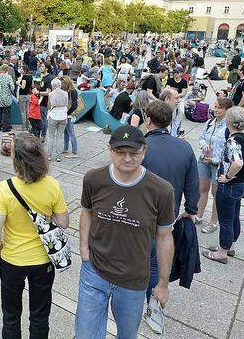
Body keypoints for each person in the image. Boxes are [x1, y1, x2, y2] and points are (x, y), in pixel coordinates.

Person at [76, 125, 175, 339]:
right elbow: (87, 212)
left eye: (134, 153)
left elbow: (165, 236)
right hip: (95, 271)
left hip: (133, 279)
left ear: (144, 151)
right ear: (110, 150)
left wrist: (163, 283)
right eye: (121, 152)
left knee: (127, 335)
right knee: (85, 335)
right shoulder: (94, 179)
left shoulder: (161, 190)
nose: (127, 158)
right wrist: (84, 251)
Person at [0, 132, 69, 339]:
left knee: (11, 315)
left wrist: (3, 250)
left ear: (15, 159)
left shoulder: (4, 189)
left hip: (12, 261)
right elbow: (64, 223)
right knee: (40, 315)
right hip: (43, 260)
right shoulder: (52, 185)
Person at [141, 100, 199, 330]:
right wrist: (191, 209)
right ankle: (153, 307)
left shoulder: (142, 147)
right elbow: (192, 183)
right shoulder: (184, 147)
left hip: (141, 216)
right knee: (156, 264)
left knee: (139, 260)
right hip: (167, 218)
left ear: (148, 120)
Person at [202, 107, 244, 264]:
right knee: (235, 215)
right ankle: (230, 246)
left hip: (230, 185)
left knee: (226, 220)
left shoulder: (233, 140)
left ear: (229, 121)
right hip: (242, 183)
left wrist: (228, 176)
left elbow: (237, 162)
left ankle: (222, 252)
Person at [195, 97, 233, 234]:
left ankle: (213, 222)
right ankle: (198, 216)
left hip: (218, 164)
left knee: (216, 194)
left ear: (227, 110)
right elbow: (201, 138)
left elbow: (229, 148)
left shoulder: (229, 126)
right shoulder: (210, 122)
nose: (216, 109)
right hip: (204, 160)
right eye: (215, 106)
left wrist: (215, 159)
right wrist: (204, 146)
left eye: (219, 107)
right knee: (202, 188)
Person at [45, 78, 68, 163]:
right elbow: (67, 104)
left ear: (53, 85)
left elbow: (48, 106)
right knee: (60, 136)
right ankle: (58, 156)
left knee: (51, 136)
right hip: (63, 115)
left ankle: (49, 155)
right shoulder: (65, 93)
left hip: (54, 115)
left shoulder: (51, 94)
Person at [60, 75, 79, 158]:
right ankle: (65, 148)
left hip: (69, 115)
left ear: (66, 83)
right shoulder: (66, 91)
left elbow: (75, 105)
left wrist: (67, 113)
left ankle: (74, 152)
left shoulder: (73, 92)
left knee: (71, 133)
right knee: (66, 132)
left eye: (62, 83)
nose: (61, 85)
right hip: (66, 114)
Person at [0, 65, 15, 132]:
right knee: (6, 113)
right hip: (6, 97)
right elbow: (12, 87)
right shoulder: (8, 77)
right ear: (6, 70)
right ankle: (5, 127)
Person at [17, 65, 33, 131]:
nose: (20, 70)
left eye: (21, 69)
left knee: (23, 112)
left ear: (24, 70)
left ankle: (24, 127)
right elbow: (32, 85)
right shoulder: (30, 76)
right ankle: (29, 126)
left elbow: (23, 87)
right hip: (28, 95)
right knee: (28, 111)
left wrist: (18, 84)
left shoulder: (24, 77)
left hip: (22, 95)